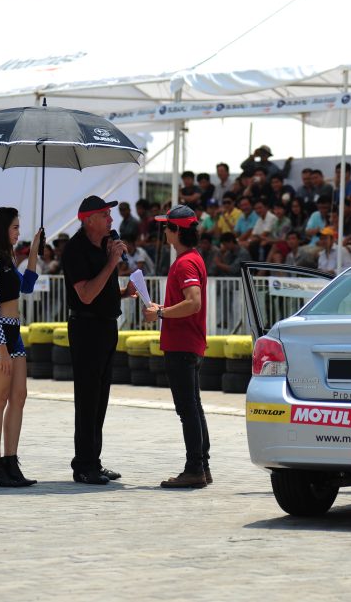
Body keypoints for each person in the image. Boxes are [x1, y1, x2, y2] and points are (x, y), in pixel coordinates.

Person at [61, 196, 136, 485]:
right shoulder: (75, 249)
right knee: (87, 397)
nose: (111, 219)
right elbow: (86, 295)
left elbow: (103, 290)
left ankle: (94, 460)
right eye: (105, 215)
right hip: (86, 328)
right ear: (89, 219)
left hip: (106, 326)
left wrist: (124, 292)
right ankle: (83, 465)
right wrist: (112, 262)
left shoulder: (105, 245)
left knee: (101, 397)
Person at [141, 205, 211, 489]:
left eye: (167, 226)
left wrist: (160, 312)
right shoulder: (193, 258)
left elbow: (193, 303)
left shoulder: (184, 263)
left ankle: (195, 468)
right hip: (189, 343)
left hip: (182, 344)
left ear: (177, 231)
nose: (164, 231)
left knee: (188, 409)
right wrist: (163, 309)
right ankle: (202, 466)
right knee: (194, 407)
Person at [0, 207, 42, 488]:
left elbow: (27, 287)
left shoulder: (8, 259)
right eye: (14, 227)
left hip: (15, 333)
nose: (18, 232)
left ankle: (11, 461)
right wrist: (2, 349)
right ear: (1, 229)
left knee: (19, 396)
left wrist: (34, 250)